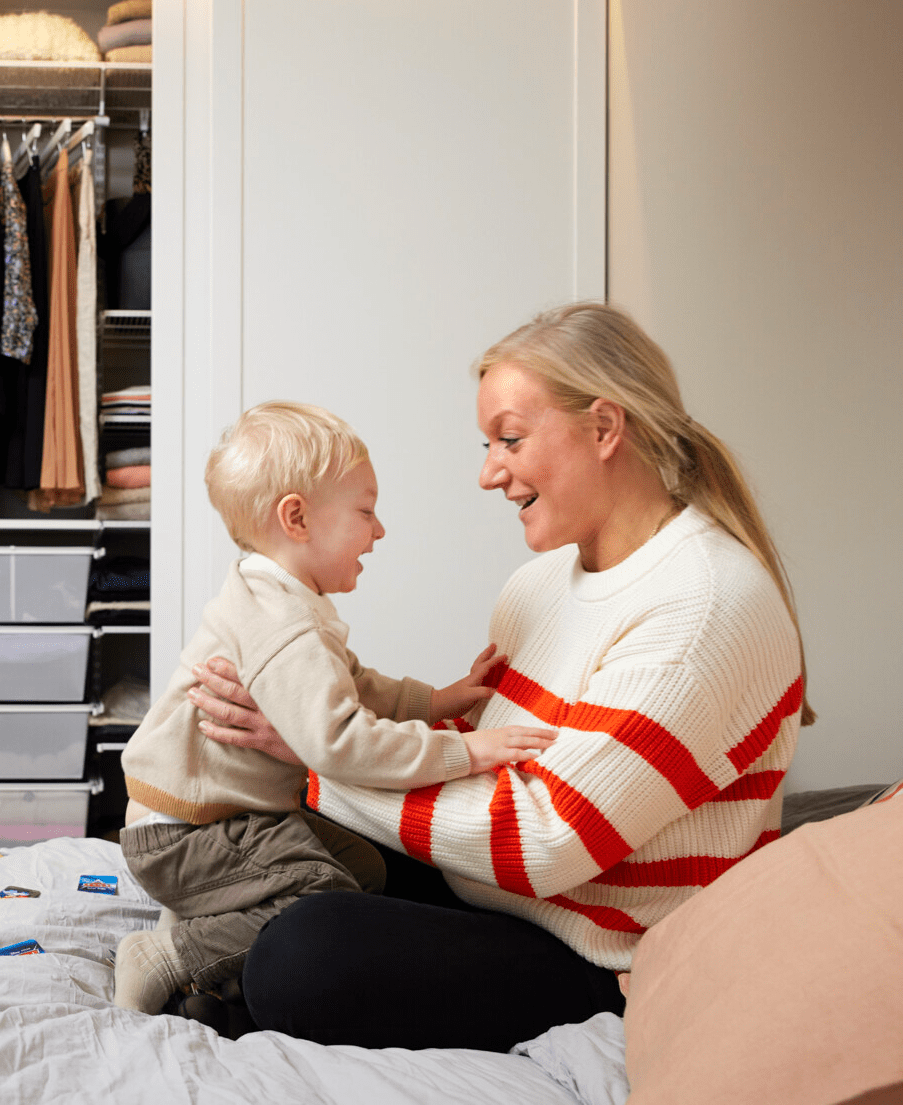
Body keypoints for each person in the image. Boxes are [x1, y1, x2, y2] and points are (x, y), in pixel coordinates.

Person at [189, 302, 812, 1052]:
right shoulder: (540, 585)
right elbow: (486, 748)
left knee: (304, 955)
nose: (489, 473)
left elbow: (546, 841)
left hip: (596, 955)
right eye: (488, 443)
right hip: (490, 894)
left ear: (605, 428)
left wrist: (316, 761)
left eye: (509, 439)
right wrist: (300, 726)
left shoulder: (703, 606)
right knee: (245, 845)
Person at [114, 400, 554, 1016]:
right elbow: (341, 742)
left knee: (360, 869)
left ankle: (215, 930)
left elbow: (354, 686)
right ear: (296, 518)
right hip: (190, 834)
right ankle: (173, 955)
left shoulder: (279, 597)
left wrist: (438, 700)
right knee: (321, 893)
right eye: (366, 511)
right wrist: (466, 750)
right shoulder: (285, 625)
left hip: (209, 822)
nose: (379, 531)